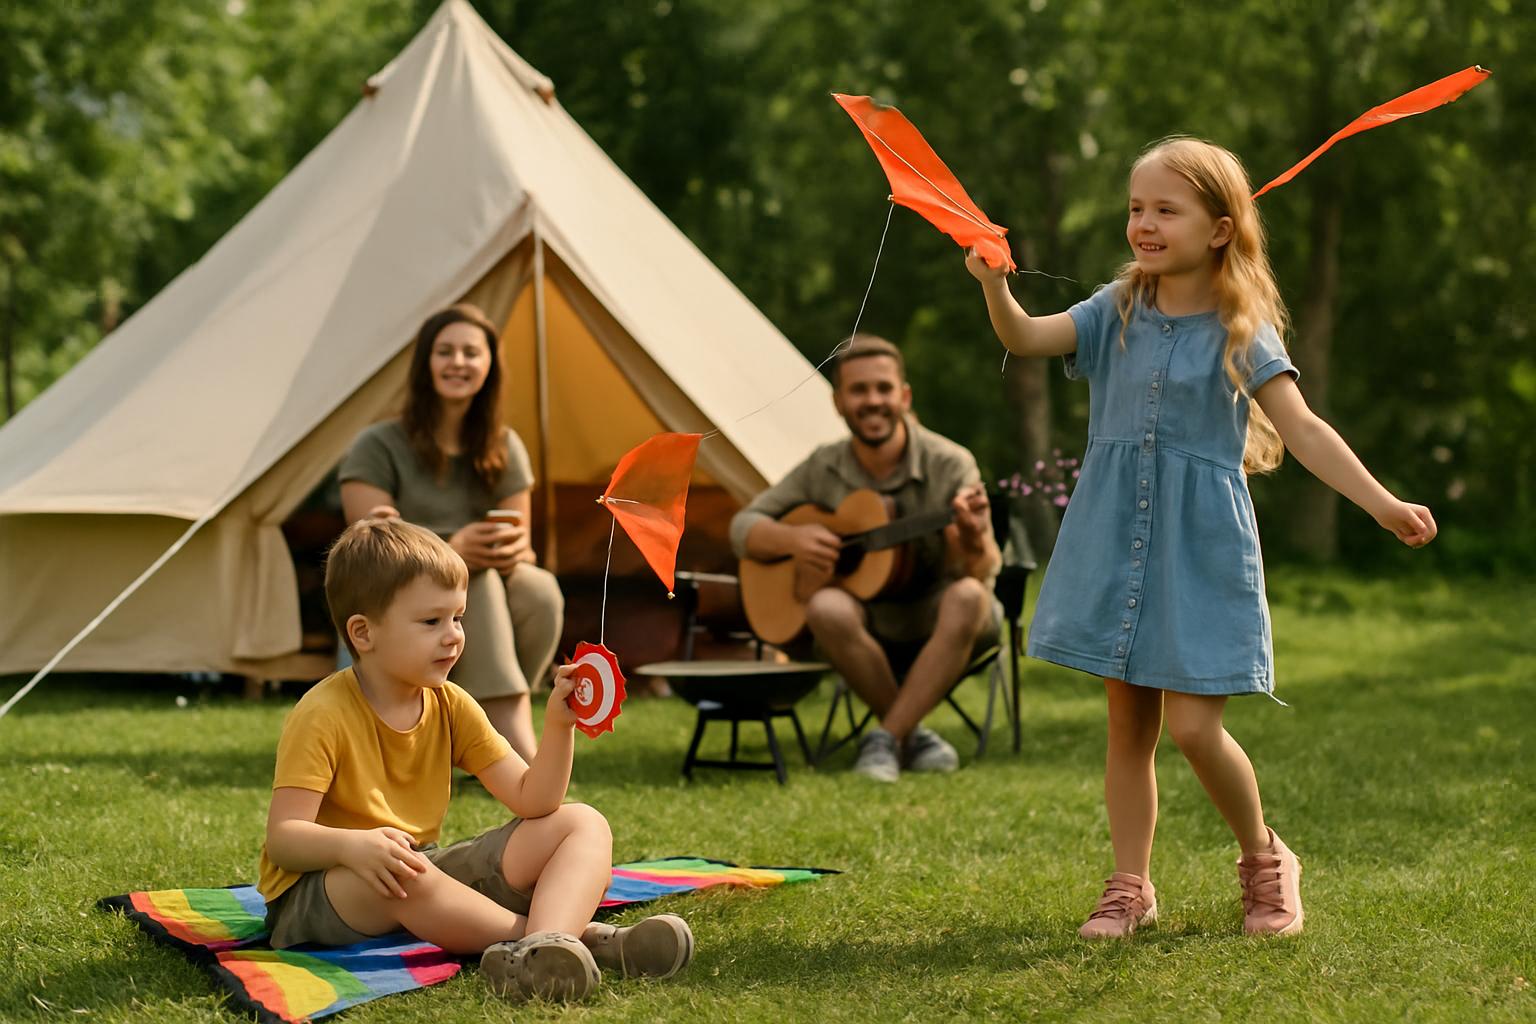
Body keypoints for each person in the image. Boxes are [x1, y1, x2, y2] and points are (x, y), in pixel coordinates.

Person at [965, 137, 1437, 938]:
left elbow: (1305, 429)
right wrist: (994, 289)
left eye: (1164, 210)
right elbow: (1025, 339)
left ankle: (1264, 859)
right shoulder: (1113, 309)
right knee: (1128, 727)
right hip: (1116, 539)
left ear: (1219, 229)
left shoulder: (1239, 327)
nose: (1143, 224)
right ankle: (1130, 886)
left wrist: (1382, 503)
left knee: (1193, 727)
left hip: (1198, 547)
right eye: (1135, 208)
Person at [258, 518, 693, 1003]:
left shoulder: (451, 703)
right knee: (407, 873)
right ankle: (580, 940)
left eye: (458, 618)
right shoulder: (322, 713)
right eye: (431, 621)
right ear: (363, 633)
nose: (453, 636)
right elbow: (284, 840)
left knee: (581, 823)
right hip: (318, 895)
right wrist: (354, 848)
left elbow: (534, 799)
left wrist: (557, 726)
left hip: (415, 867)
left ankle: (545, 951)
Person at [729, 335, 1002, 783]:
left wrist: (971, 539)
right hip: (865, 624)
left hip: (940, 621)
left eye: (883, 388)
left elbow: (982, 570)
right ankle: (909, 737)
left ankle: (886, 737)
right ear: (837, 402)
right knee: (825, 606)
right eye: (858, 391)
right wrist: (793, 540)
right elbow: (743, 527)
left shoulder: (950, 463)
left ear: (904, 396)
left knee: (970, 596)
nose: (872, 401)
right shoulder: (823, 465)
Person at [339, 303, 563, 762]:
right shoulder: (378, 445)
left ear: (489, 367)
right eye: (445, 352)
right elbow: (363, 553)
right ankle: (511, 740)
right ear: (425, 364)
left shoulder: (503, 445)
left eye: (470, 353)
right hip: (396, 594)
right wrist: (451, 551)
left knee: (540, 591)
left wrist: (515, 549)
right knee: (468, 580)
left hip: (486, 585)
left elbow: (521, 543)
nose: (458, 362)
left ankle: (473, 733)